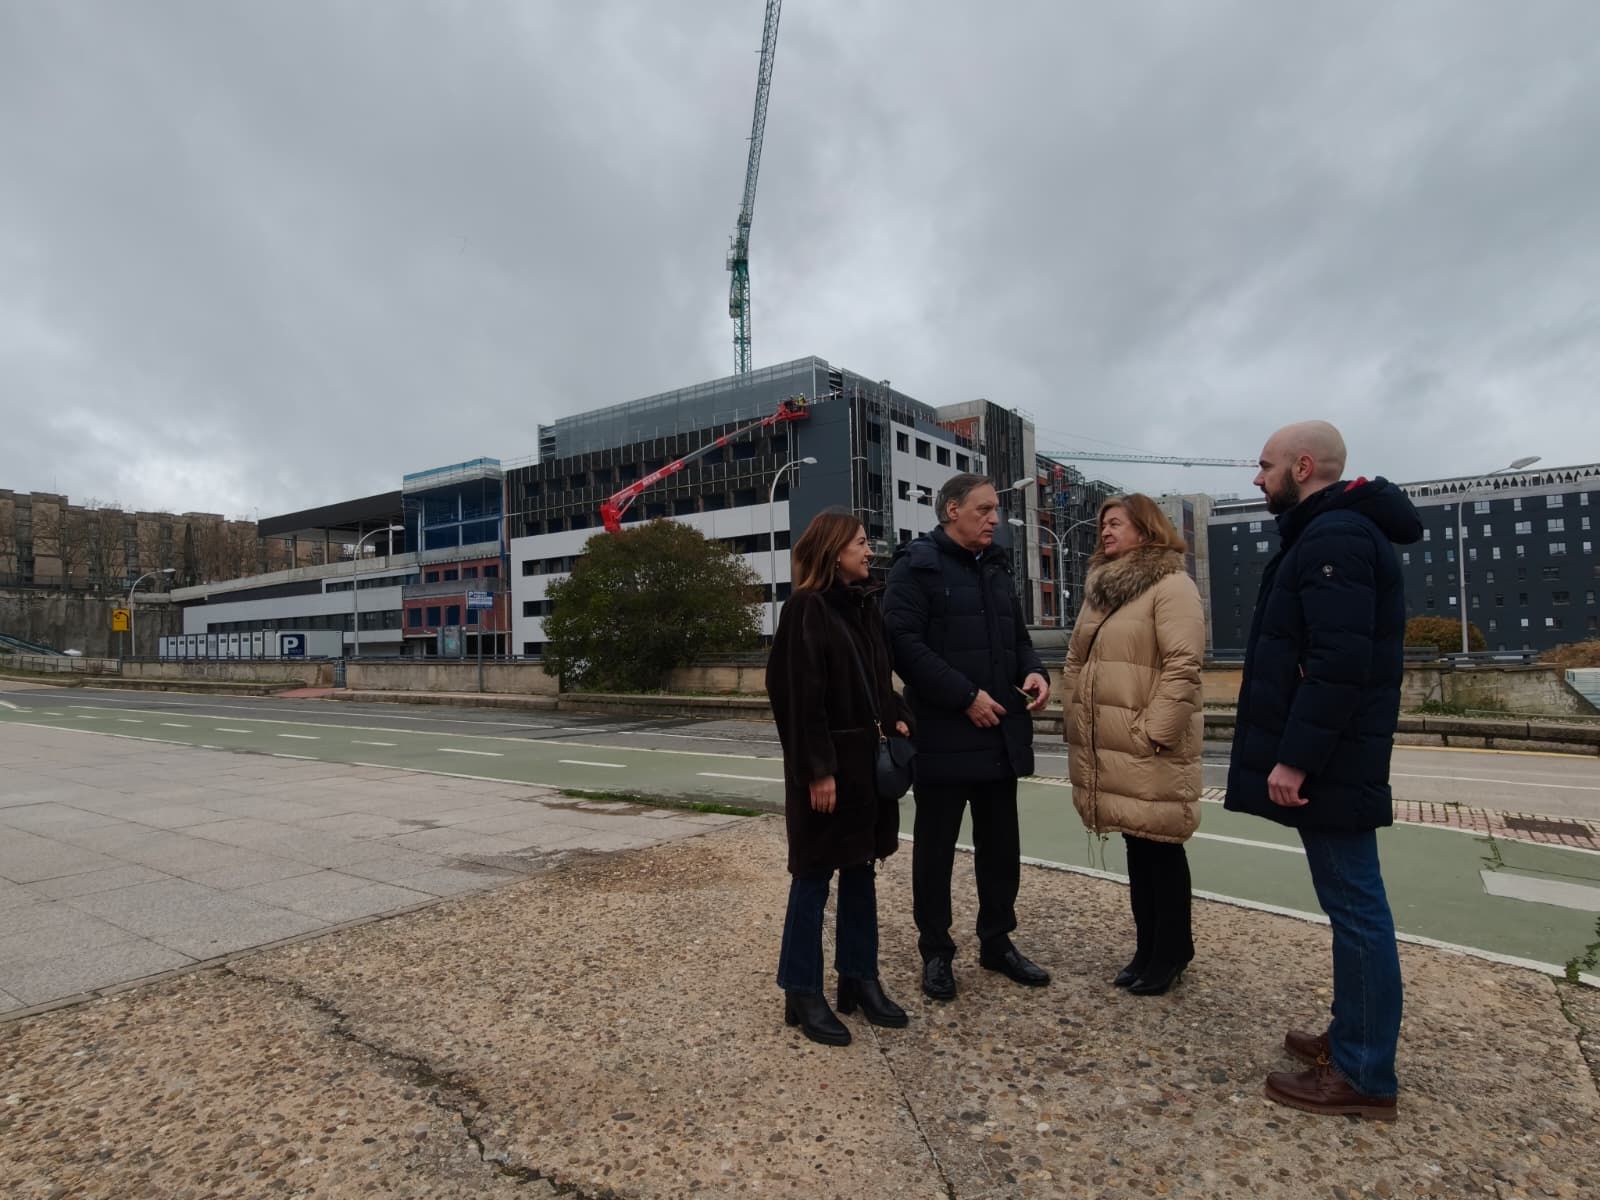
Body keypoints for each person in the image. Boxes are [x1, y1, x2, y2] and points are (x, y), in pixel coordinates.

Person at [1226, 420, 1422, 1120]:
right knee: (1351, 906)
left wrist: (1295, 759)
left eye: (1265, 465)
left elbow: (1338, 664)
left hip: (1331, 761)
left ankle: (1365, 1076)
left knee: (1357, 909)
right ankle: (1350, 1039)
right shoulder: (1330, 530)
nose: (1257, 478)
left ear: (1303, 467)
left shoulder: (1335, 536)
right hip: (1339, 756)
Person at [881, 473, 1052, 1001]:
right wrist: (965, 696)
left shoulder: (996, 567)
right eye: (984, 510)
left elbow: (1017, 634)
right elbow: (902, 644)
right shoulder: (916, 567)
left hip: (1000, 731)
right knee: (935, 851)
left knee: (1001, 848)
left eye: (995, 510)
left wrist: (1035, 670)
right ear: (952, 510)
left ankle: (997, 943)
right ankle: (936, 952)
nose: (995, 519)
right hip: (944, 734)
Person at [766, 507, 914, 1047]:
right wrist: (817, 771)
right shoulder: (806, 608)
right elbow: (796, 699)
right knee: (812, 878)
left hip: (865, 770)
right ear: (833, 552)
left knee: (860, 873)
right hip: (829, 773)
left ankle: (859, 978)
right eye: (858, 543)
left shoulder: (864, 607)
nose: (868, 550)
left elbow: (879, 681)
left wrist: (897, 713)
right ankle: (801, 989)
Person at [1061, 495, 1204, 996]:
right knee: (1136, 848)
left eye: (1115, 523)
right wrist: (1077, 712)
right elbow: (1076, 658)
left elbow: (1184, 666)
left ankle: (1172, 952)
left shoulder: (1172, 585)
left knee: (1160, 847)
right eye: (1103, 524)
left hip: (1148, 746)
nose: (1105, 531)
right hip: (1112, 744)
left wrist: (1155, 733)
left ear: (1145, 530)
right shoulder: (1101, 591)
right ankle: (1147, 947)